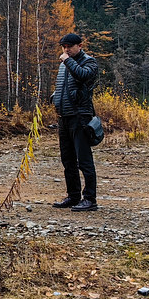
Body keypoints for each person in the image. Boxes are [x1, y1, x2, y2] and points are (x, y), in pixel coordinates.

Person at [51, 32, 100, 212]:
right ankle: (73, 196)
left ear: (79, 45)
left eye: (69, 47)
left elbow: (82, 76)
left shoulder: (89, 62)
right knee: (68, 160)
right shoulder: (65, 64)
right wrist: (56, 98)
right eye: (64, 47)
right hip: (64, 117)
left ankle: (90, 199)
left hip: (80, 117)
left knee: (84, 160)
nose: (66, 50)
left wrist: (68, 61)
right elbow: (64, 86)